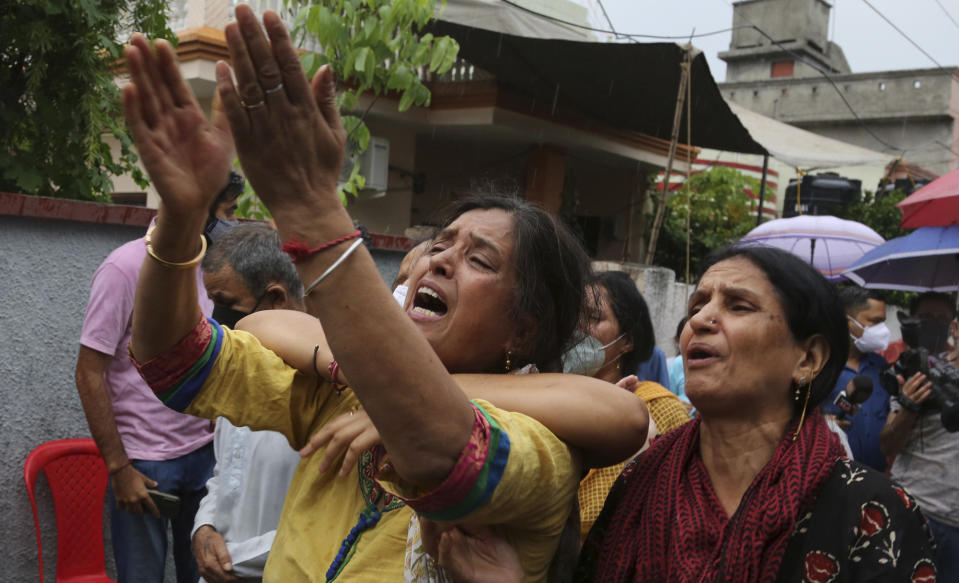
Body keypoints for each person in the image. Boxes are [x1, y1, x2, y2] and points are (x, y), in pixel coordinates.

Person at [121, 11, 647, 583]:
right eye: (440, 243)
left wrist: (315, 213)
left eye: (479, 260)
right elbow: (176, 363)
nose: (441, 258)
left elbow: (443, 452)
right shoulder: (340, 398)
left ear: (523, 328)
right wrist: (180, 219)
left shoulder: (543, 446)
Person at [574, 246, 936, 582]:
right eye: (696, 307)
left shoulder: (870, 511)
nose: (700, 320)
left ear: (807, 359)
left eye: (738, 306)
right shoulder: (641, 477)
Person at [74, 177, 239, 582]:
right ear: (197, 211)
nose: (236, 222)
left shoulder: (213, 270)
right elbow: (88, 371)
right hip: (145, 466)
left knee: (206, 575)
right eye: (230, 212)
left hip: (205, 457)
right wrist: (118, 467)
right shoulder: (124, 267)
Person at [191, 223, 304, 583]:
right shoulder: (239, 372)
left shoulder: (327, 391)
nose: (216, 321)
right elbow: (224, 475)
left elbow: (324, 526)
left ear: (275, 301)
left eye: (226, 305)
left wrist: (227, 561)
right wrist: (203, 528)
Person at [577, 271, 690, 540]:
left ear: (626, 341)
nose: (577, 327)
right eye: (572, 315)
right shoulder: (542, 394)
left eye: (593, 317)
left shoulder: (659, 409)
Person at [880, 294, 959, 579]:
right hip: (916, 510)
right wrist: (910, 405)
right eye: (927, 319)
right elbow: (888, 444)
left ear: (951, 325)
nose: (934, 326)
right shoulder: (913, 370)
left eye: (941, 319)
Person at [821, 287, 892, 472]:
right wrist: (818, 423)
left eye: (883, 322)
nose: (882, 330)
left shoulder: (881, 365)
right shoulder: (819, 364)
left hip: (877, 477)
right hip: (832, 475)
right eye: (875, 322)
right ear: (848, 322)